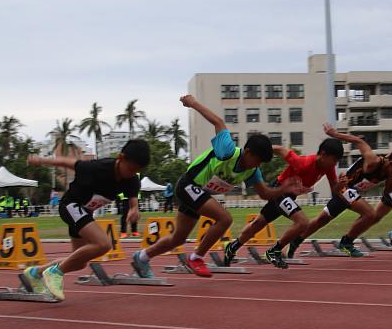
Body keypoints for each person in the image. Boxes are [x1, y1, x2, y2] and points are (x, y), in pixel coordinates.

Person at [132, 95, 308, 278]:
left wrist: (283, 190)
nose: (257, 166)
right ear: (248, 152)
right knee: (225, 218)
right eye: (257, 161)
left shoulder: (252, 171)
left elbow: (265, 194)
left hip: (197, 193)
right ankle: (196, 257)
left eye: (261, 164)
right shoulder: (228, 151)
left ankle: (142, 257)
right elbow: (218, 121)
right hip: (188, 185)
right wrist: (192, 103)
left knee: (178, 238)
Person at [23, 140, 150, 300]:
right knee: (104, 244)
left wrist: (134, 211)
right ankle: (55, 272)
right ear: (120, 157)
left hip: (84, 213)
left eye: (137, 170)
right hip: (71, 206)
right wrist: (41, 160)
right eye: (131, 168)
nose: (132, 173)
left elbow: (133, 203)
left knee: (78, 261)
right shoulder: (97, 168)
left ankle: (36, 272)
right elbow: (67, 162)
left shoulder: (131, 180)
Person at [224, 128, 343, 268]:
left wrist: (340, 185)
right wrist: (260, 152)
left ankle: (232, 247)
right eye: (334, 160)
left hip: (290, 195)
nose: (335, 164)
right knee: (303, 222)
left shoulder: (328, 168)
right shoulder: (302, 163)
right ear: (323, 154)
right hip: (279, 190)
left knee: (259, 223)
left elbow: (334, 190)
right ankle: (274, 250)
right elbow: (280, 149)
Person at [290, 128, 392, 255]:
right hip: (344, 187)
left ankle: (296, 240)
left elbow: (388, 191)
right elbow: (358, 141)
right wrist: (335, 134)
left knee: (322, 220)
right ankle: (346, 242)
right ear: (391, 163)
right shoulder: (373, 161)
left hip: (352, 193)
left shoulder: (388, 173)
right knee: (370, 214)